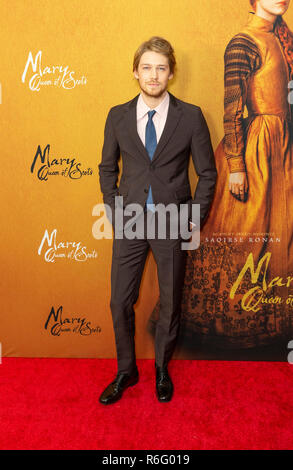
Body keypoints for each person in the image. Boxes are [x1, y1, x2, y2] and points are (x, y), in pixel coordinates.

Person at [150, 0, 293, 351]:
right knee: (245, 238)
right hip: (254, 149)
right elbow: (232, 108)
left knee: (283, 236)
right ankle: (232, 330)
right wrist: (236, 166)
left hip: (283, 148)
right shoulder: (243, 42)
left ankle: (276, 327)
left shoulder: (283, 38)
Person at [98, 36, 217, 404]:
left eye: (161, 68)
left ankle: (162, 369)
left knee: (169, 302)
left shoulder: (191, 116)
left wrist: (192, 220)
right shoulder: (117, 115)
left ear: (171, 74)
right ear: (135, 71)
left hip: (172, 223)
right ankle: (126, 370)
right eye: (147, 67)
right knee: (120, 301)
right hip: (131, 220)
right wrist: (115, 212)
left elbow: (208, 174)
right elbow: (106, 168)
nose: (153, 75)